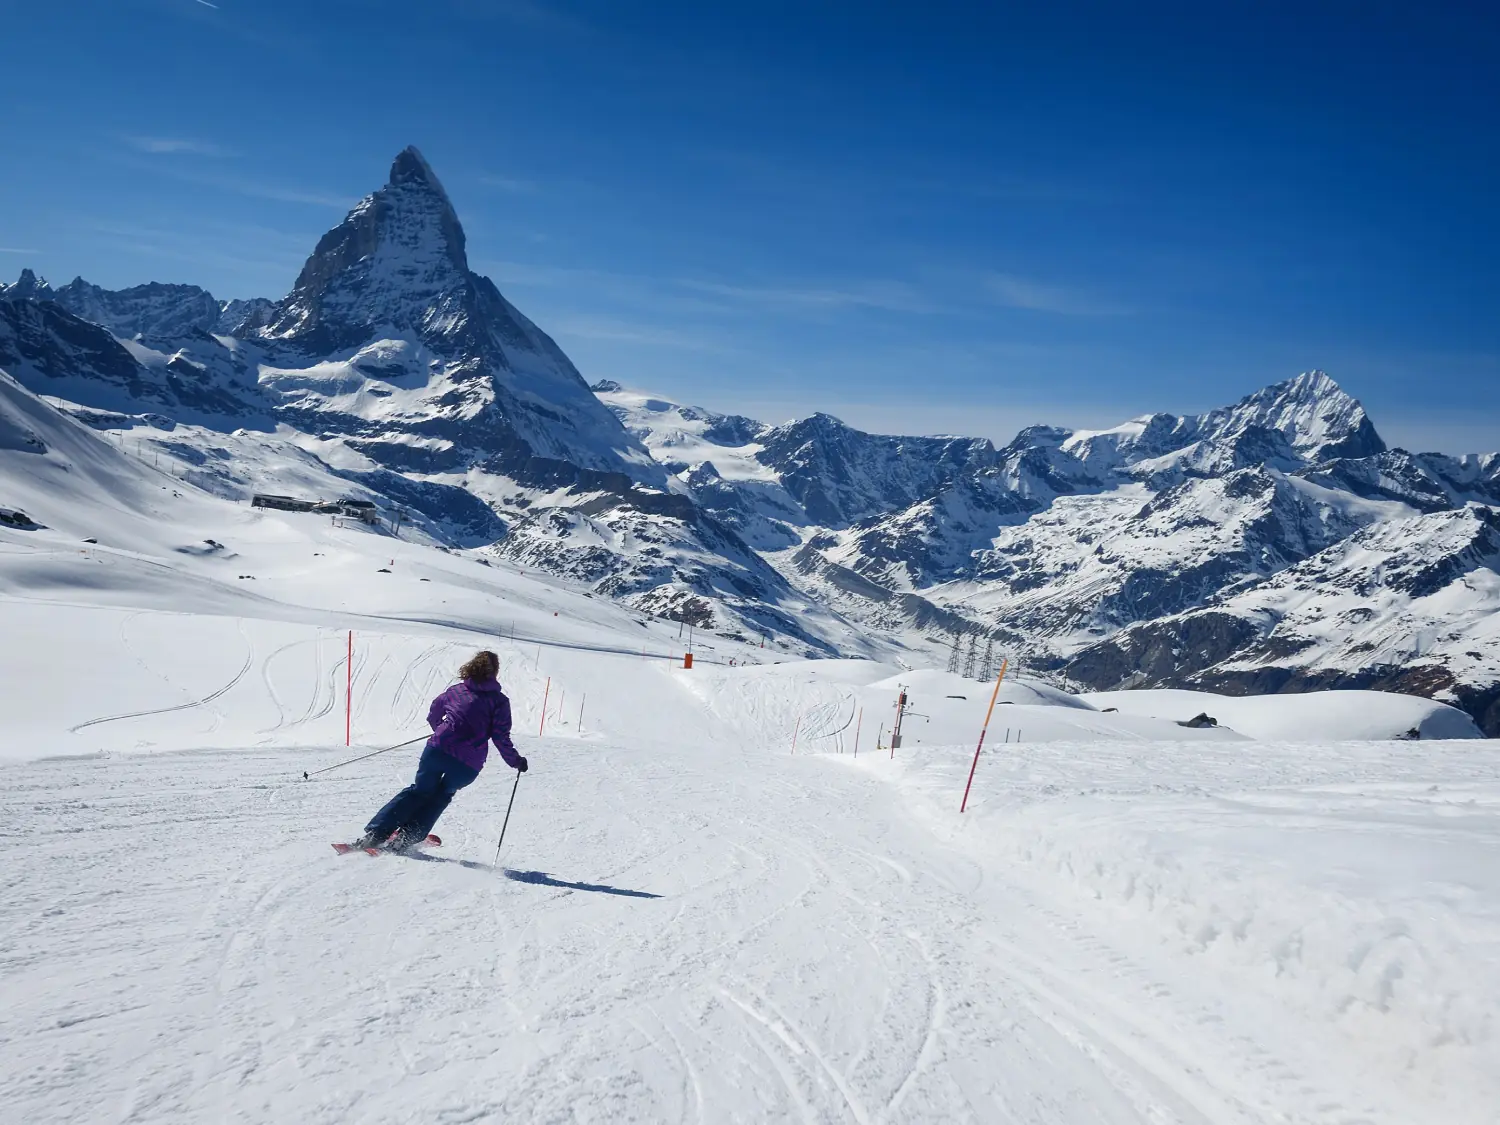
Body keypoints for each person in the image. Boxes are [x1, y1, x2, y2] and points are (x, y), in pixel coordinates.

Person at [353, 650, 527, 850]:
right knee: (441, 796)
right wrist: (516, 761)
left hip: (438, 749)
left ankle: (376, 834)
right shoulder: (499, 701)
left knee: (419, 791)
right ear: (495, 672)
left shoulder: (456, 691)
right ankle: (405, 839)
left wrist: (443, 731)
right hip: (468, 763)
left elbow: (433, 714)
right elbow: (500, 736)